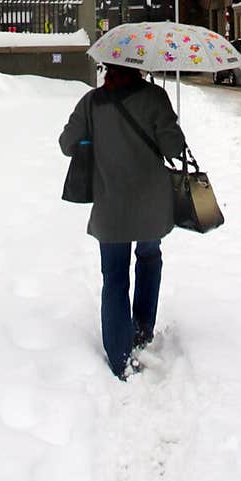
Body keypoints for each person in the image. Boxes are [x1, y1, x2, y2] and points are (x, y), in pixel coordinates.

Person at [59, 63, 186, 380]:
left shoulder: (92, 102)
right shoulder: (155, 98)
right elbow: (174, 148)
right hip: (151, 205)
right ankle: (142, 330)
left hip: (111, 205)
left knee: (114, 277)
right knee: (149, 258)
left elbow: (66, 144)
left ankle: (120, 358)